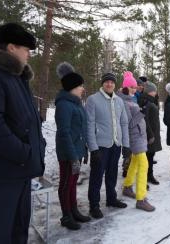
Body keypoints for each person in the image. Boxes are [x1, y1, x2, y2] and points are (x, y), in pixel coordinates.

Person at [0, 23, 46, 243]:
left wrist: (37, 145)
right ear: (12, 48)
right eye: (27, 50)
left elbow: (26, 121)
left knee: (20, 229)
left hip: (21, 173)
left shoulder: (17, 78)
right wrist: (23, 152)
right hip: (3, 175)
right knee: (0, 233)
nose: (29, 55)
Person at [86, 72, 129, 219]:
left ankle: (111, 198)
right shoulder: (93, 100)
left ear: (115, 84)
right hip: (100, 146)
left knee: (112, 174)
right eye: (106, 82)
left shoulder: (119, 101)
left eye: (112, 82)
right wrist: (93, 148)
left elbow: (123, 123)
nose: (109, 84)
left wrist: (126, 144)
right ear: (102, 83)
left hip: (115, 144)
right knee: (96, 176)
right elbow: (89, 124)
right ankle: (94, 205)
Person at [55, 62, 91, 230]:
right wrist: (72, 156)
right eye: (80, 85)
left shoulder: (76, 103)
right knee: (65, 183)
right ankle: (66, 216)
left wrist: (83, 150)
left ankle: (74, 210)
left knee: (73, 182)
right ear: (72, 87)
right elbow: (64, 133)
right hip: (68, 153)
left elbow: (81, 128)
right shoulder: (63, 105)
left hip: (77, 151)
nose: (82, 88)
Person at [119, 71, 155, 212]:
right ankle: (141, 199)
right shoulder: (124, 101)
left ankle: (127, 187)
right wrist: (142, 111)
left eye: (135, 87)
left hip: (139, 136)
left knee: (134, 162)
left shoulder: (131, 98)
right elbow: (128, 123)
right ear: (125, 87)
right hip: (134, 137)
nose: (134, 89)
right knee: (143, 165)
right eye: (132, 87)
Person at [139, 81, 162, 185]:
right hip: (149, 134)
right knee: (146, 158)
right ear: (149, 92)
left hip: (153, 133)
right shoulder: (145, 102)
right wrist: (150, 135)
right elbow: (145, 120)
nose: (155, 92)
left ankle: (149, 175)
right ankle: (144, 178)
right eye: (154, 91)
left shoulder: (151, 101)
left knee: (151, 156)